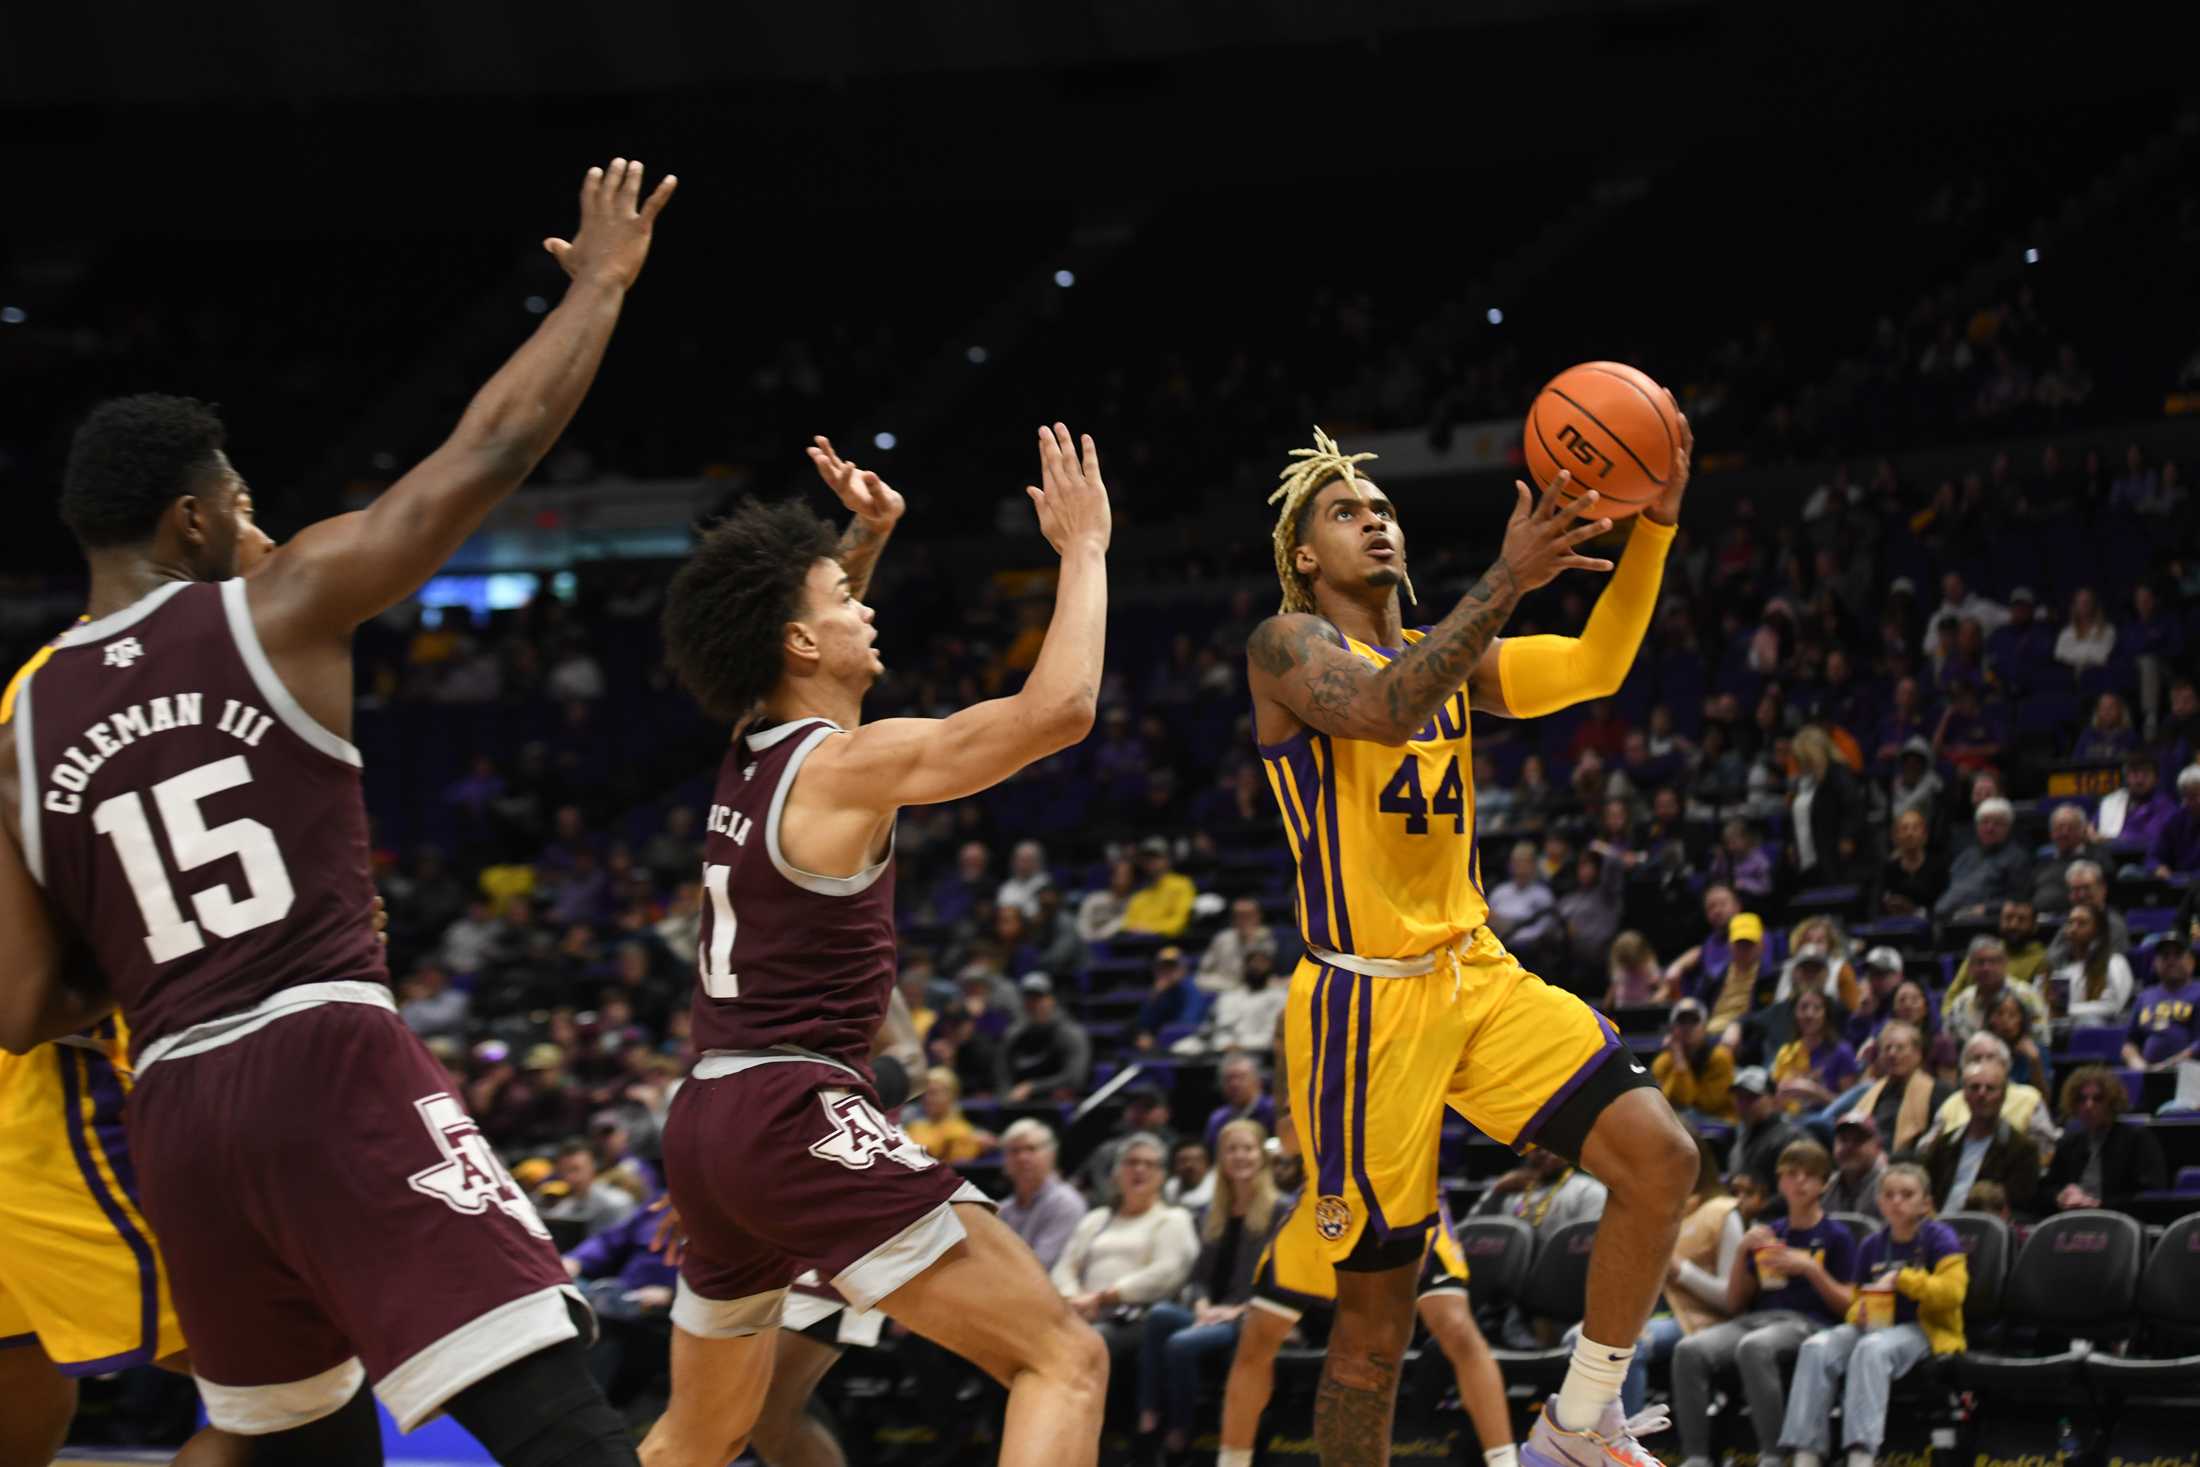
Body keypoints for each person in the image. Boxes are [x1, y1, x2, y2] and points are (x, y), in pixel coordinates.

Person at [0, 159, 678, 1464]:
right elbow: (489, 451)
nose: (261, 527)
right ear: (191, 518)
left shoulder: (21, 722)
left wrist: (155, 949)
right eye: (244, 505)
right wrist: (597, 285)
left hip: (181, 1118)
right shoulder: (279, 603)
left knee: (305, 1450)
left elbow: (22, 1006)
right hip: (327, 1057)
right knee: (557, 1420)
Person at [640, 424, 1114, 1467]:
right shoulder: (845, 768)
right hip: (788, 1115)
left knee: (701, 1435)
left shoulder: (750, 751)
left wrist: (865, 533)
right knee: (1065, 1360)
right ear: (802, 644)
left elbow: (786, 641)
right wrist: (1084, 547)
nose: (866, 606)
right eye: (845, 601)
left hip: (708, 1120)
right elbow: (1061, 709)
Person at [1243, 425, 1701, 1465]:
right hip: (1364, 1011)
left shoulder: (1452, 654)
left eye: (1383, 509)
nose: (1376, 521)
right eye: (1345, 512)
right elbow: (1384, 709)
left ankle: (1579, 1425)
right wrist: (1505, 576)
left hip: (1475, 972)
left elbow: (1595, 664)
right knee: (1373, 1331)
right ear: (1306, 557)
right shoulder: (1284, 647)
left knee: (1661, 1156)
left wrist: (1656, 529)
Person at [1669, 1140, 1856, 1467]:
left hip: (1807, 1321)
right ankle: (1696, 1456)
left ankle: (1773, 1454)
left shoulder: (1836, 1234)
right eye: (1791, 1174)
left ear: (1824, 1184)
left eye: (1809, 1175)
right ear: (1779, 1181)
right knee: (1689, 1350)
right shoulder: (1769, 1233)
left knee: (1754, 1347)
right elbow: (1734, 1302)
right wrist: (1742, 1252)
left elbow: (1850, 1307)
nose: (1799, 1181)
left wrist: (1811, 1269)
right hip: (1758, 1318)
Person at [1776, 1164, 1966, 1467]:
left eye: (1907, 1195)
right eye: (1889, 1195)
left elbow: (1953, 1293)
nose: (1897, 1201)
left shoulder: (1940, 1238)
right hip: (1877, 1327)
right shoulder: (1872, 1244)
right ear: (1879, 1202)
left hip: (1926, 1329)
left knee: (1870, 1349)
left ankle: (1860, 1455)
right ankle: (1806, 1454)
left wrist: (1901, 1278)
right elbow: (1854, 1300)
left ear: (1926, 1203)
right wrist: (1858, 1312)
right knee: (1816, 1347)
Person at [1137, 1120, 1274, 1457]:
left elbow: (1281, 1282)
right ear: (1221, 1159)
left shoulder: (1280, 1210)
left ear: (1261, 1156)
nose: (1239, 1156)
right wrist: (1200, 1305)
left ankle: (1181, 1431)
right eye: (1231, 1149)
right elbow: (1198, 1277)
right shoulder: (1213, 1214)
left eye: (1247, 1148)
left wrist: (1236, 1310)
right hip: (1214, 1312)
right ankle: (1148, 1413)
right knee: (1158, 1316)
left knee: (1181, 1344)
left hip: (1252, 1316)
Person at [1051, 1136, 1200, 1398]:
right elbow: (1065, 1268)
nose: (1139, 1170)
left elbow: (1167, 1274)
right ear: (1117, 1173)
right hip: (1080, 1311)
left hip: (1136, 1317)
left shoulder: (1173, 1219)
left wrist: (1103, 1297)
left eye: (1149, 1164)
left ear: (1162, 1176)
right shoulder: (1095, 1220)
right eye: (1131, 1163)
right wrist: (1073, 1299)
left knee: (1084, 1343)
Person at [1911, 1056, 2039, 1214]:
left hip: (1983, 1231)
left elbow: (2017, 1208)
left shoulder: (2023, 1150)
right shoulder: (1942, 1145)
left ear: (2004, 1096)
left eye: (1990, 1088)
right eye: (1974, 1087)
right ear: (1964, 1095)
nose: (1981, 1094)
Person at [2044, 1066, 2168, 1211]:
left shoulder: (2137, 1139)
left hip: (2121, 1221)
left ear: (2112, 1103)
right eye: (2081, 1099)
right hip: (2074, 1218)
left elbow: (2151, 1195)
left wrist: (2100, 1204)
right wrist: (2060, 1196)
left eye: (2098, 1099)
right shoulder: (2069, 1142)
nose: (2088, 1105)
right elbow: (2045, 1189)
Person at [1845, 1021, 1952, 1155]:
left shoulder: (1938, 1091)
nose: (1892, 1054)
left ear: (1917, 1054)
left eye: (1900, 1048)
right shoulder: (1870, 1093)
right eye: (1887, 1048)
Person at [997, 1119, 1087, 1273]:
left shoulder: (1065, 1202)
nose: (1022, 1157)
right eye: (1014, 1151)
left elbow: (1041, 1266)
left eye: (1031, 1149)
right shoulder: (1002, 1210)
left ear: (1052, 1154)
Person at [1933, 797, 2030, 925]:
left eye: (1997, 823)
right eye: (1984, 822)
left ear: (2008, 827)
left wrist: (1988, 909)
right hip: (1945, 917)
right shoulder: (1966, 856)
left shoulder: (2017, 858)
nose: (1990, 828)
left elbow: (2018, 899)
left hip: (1981, 921)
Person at [998, 973, 1094, 1102]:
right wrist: (1005, 1093)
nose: (1033, 1005)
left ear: (1052, 999)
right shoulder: (1014, 1034)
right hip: (1016, 1106)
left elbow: (1075, 1078)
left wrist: (1032, 1088)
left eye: (1038, 998)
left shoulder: (1071, 1034)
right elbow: (1001, 1072)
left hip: (1054, 1107)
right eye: (1028, 999)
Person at [1942, 936, 2051, 1049]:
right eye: (1980, 962)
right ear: (1970, 968)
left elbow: (2043, 1040)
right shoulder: (1961, 1002)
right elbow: (1949, 1045)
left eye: (1993, 961)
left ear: (2005, 964)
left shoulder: (2027, 996)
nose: (1987, 968)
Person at [1771, 989, 1860, 1115]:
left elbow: (1850, 1107)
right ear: (1795, 1014)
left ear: (1826, 1014)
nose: (1809, 1014)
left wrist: (1816, 1092)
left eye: (1817, 1008)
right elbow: (1775, 1101)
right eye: (1803, 1008)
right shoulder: (1786, 1051)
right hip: (1788, 1122)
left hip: (1825, 1123)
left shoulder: (1842, 1052)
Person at [2046, 903, 2135, 1029]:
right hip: (2061, 1030)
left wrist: (2069, 1011)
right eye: (2070, 923)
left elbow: (2113, 1005)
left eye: (2082, 923)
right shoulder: (2060, 969)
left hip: (2102, 1031)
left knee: (2090, 1022)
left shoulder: (2114, 962)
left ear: (2098, 930)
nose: (2073, 928)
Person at [1653, 998, 1737, 1124]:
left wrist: (1680, 1065)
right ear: (1673, 1028)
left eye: (1694, 1021)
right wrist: (1678, 1056)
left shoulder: (1721, 1057)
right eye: (1682, 1021)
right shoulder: (1663, 1062)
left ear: (1704, 1027)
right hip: (1681, 1123)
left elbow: (1708, 1104)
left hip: (1719, 1124)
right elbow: (1673, 1102)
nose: (1687, 1027)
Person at [542, 1136, 642, 1239]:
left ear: (593, 1166)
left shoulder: (618, 1203)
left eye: (576, 1169)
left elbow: (623, 1244)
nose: (571, 1177)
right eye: (565, 1170)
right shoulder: (565, 1207)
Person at [2125, 935, 2200, 1070]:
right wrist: (2139, 1065)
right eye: (2165, 956)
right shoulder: (2144, 997)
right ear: (2155, 963)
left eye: (2178, 955)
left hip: (2191, 1073)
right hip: (2149, 1075)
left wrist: (2168, 1066)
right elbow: (2130, 1043)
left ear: (2191, 962)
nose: (2171, 960)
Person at [1729, 1068, 1806, 1193]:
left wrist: (1762, 1206)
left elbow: (1798, 1192)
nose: (1743, 1104)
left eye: (1751, 1097)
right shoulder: (1742, 1140)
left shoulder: (1791, 1137)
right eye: (1739, 1098)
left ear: (1774, 1099)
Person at [902, 1066, 997, 1164]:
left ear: (951, 1095)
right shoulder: (914, 1128)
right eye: (925, 1094)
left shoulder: (964, 1131)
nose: (927, 1099)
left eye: (934, 1093)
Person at [1874, 808, 1945, 919]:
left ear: (1925, 835)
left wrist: (1914, 911)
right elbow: (1876, 907)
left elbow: (1943, 908)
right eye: (1904, 828)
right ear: (1895, 837)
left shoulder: (1939, 867)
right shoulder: (1888, 869)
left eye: (1915, 828)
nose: (1909, 833)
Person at [1198, 896, 1279, 994]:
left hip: (1259, 987)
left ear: (1258, 916)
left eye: (1248, 915)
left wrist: (1249, 941)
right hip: (1225, 985)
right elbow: (1205, 968)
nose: (1243, 919)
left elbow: (1260, 970)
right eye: (1239, 915)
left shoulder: (1267, 936)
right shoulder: (1222, 938)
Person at [2098, 750, 2176, 850]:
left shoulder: (2166, 807)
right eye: (2134, 773)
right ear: (2126, 777)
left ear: (2156, 779)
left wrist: (2113, 841)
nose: (2139, 780)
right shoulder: (2112, 802)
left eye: (2146, 773)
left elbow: (2153, 840)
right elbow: (2095, 827)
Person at [1123, 837, 1198, 939]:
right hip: (1138, 944)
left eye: (1156, 856)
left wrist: (1148, 928)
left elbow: (1179, 923)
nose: (1150, 861)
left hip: (1168, 942)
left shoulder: (1182, 885)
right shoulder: (1140, 892)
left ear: (1168, 859)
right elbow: (1128, 924)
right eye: (1146, 857)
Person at [1203, 1052, 1278, 1153]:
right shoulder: (1217, 1120)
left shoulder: (1275, 1110)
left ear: (1258, 1081)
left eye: (1241, 1077)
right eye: (1229, 1079)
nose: (1234, 1084)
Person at [1824, 1116, 1886, 1222]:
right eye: (1843, 1140)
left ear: (1878, 1148)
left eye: (1858, 1140)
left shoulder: (1890, 1187)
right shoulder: (1824, 1187)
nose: (1849, 1147)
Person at [2149, 765, 2200, 876]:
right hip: (2177, 883)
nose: (2198, 800)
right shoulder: (2175, 820)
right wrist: (2158, 867)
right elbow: (2154, 856)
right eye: (2192, 796)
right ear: (2184, 798)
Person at [1605, 930, 1663, 1010]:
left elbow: (1662, 988)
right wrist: (1606, 1007)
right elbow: (1614, 988)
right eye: (1626, 961)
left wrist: (1654, 1000)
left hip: (1641, 1009)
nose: (1630, 966)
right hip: (1622, 1008)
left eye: (1632, 962)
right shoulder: (1620, 969)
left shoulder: (1648, 969)